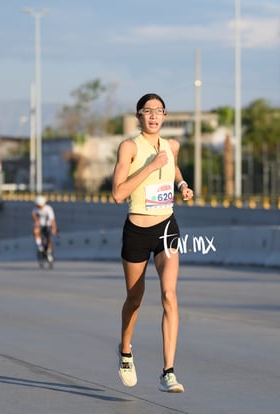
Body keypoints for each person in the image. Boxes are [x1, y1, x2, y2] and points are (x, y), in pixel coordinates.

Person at [112, 93, 194, 393]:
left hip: (166, 227)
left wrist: (182, 184)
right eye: (148, 111)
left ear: (165, 115)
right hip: (136, 229)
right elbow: (118, 194)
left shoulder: (172, 146)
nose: (154, 116)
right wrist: (148, 166)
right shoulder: (129, 147)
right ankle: (124, 350)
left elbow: (172, 167)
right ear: (139, 116)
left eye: (159, 111)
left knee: (170, 295)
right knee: (135, 298)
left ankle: (168, 372)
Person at [31, 195, 57, 261]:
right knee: (35, 231)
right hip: (40, 225)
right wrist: (36, 222)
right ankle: (40, 247)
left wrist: (54, 228)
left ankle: (49, 253)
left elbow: (52, 220)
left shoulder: (48, 208)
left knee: (49, 239)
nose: (39, 207)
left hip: (47, 225)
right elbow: (33, 215)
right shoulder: (35, 209)